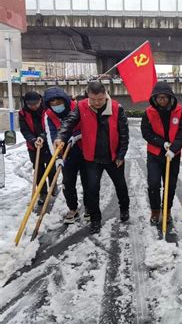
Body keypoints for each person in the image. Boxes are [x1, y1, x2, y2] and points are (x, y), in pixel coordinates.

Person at [54, 81, 129, 234]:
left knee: (120, 185)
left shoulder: (116, 108)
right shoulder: (81, 106)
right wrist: (61, 136)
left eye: (100, 99)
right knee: (92, 190)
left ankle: (124, 209)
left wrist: (121, 154)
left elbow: (124, 134)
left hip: (113, 157)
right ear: (88, 95)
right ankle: (95, 219)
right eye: (92, 99)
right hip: (92, 158)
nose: (96, 103)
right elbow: (68, 123)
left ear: (105, 95)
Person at [141, 82, 182, 226]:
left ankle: (166, 211)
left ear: (170, 97)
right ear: (155, 98)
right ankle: (155, 211)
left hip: (173, 155)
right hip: (155, 154)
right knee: (154, 184)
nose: (162, 100)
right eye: (159, 97)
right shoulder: (149, 112)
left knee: (170, 185)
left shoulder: (180, 111)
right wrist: (162, 143)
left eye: (165, 97)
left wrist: (173, 149)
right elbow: (146, 133)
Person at [43, 87, 88, 223]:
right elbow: (51, 137)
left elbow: (87, 128)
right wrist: (56, 158)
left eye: (59, 103)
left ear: (65, 101)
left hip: (84, 149)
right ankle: (73, 208)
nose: (57, 106)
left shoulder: (78, 107)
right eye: (53, 104)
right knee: (67, 183)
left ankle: (89, 207)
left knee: (88, 181)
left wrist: (75, 136)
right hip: (65, 153)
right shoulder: (48, 115)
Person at [19, 91, 57, 206]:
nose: (34, 106)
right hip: (33, 146)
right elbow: (24, 130)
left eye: (36, 103)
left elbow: (51, 126)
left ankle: (53, 188)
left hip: (49, 142)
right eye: (31, 105)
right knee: (39, 170)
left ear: (40, 100)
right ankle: (43, 193)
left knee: (51, 168)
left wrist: (42, 136)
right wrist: (33, 140)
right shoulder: (23, 113)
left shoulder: (47, 110)